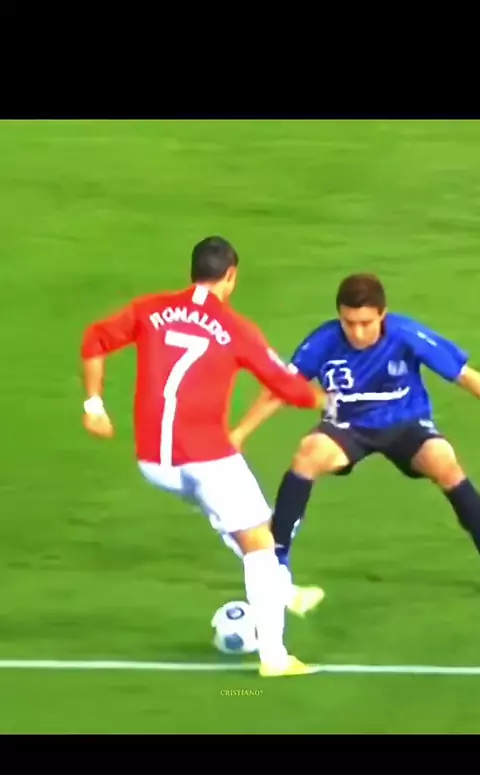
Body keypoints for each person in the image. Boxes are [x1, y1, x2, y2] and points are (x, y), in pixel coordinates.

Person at [80, 236, 326, 678]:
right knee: (260, 541)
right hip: (207, 458)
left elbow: (94, 340)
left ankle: (285, 593)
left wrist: (94, 407)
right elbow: (286, 385)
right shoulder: (235, 328)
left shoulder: (149, 309)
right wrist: (321, 400)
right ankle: (274, 656)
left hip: (154, 463)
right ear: (231, 275)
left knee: (234, 521)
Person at [230, 272, 480, 581]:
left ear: (382, 314)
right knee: (309, 453)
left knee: (444, 462)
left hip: (405, 423)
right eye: (349, 323)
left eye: (366, 323)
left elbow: (465, 376)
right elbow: (281, 388)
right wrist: (240, 433)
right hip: (348, 426)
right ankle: (276, 561)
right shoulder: (323, 341)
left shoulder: (407, 334)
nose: (358, 333)